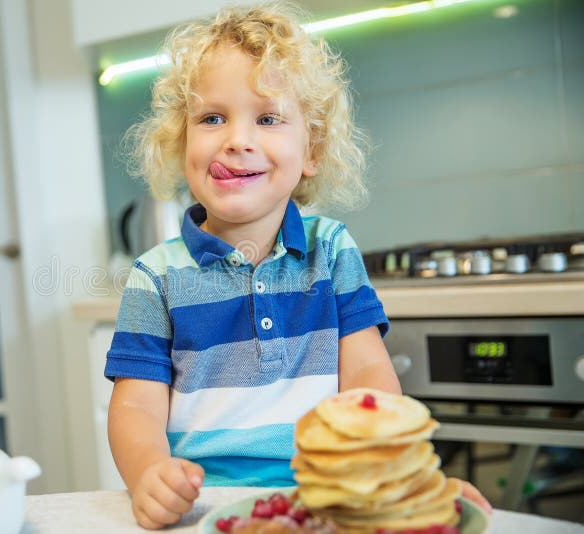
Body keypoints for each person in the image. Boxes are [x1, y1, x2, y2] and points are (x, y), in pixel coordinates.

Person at [104, 3, 491, 529]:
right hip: (203, 508)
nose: (237, 139)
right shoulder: (156, 277)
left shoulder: (331, 250)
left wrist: (399, 477)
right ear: (181, 142)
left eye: (267, 118)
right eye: (212, 118)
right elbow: (136, 410)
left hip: (328, 498)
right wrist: (149, 472)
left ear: (311, 150)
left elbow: (368, 376)